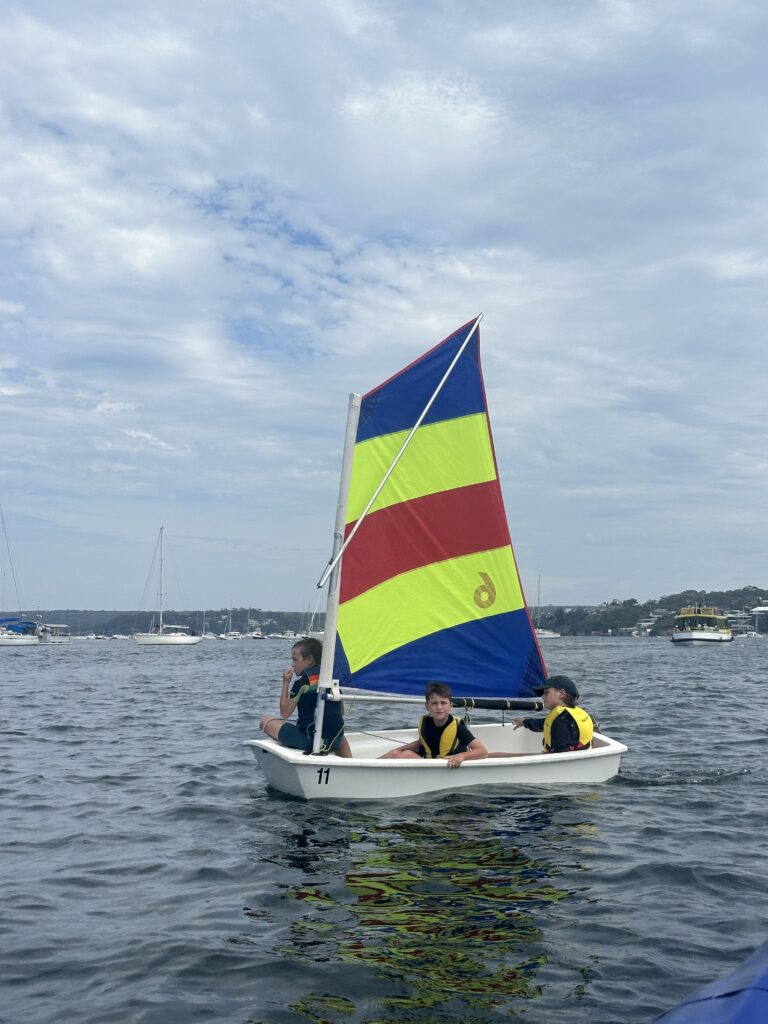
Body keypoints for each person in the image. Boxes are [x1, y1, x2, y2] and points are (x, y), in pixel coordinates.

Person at [259, 638, 352, 757]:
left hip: (310, 741)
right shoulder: (332, 679)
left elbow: (284, 713)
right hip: (335, 741)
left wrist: (286, 682)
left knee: (265, 720)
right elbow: (341, 712)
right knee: (339, 736)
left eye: (295, 660)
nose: (293, 664)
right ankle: (350, 761)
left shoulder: (302, 683)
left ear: (309, 660)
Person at [379, 681, 488, 768]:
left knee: (407, 754)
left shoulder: (458, 727)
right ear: (427, 707)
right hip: (431, 764)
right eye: (434, 703)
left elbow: (482, 752)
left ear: (451, 706)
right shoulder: (427, 723)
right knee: (395, 753)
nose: (439, 707)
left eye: (443, 703)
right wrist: (397, 750)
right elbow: (420, 743)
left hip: (446, 767)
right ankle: (372, 769)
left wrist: (461, 756)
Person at [488, 675, 594, 756]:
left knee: (497, 756)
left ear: (561, 694)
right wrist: (524, 722)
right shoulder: (572, 714)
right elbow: (544, 724)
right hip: (576, 759)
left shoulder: (560, 721)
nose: (542, 696)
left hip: (559, 766)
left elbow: (559, 756)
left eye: (546, 692)